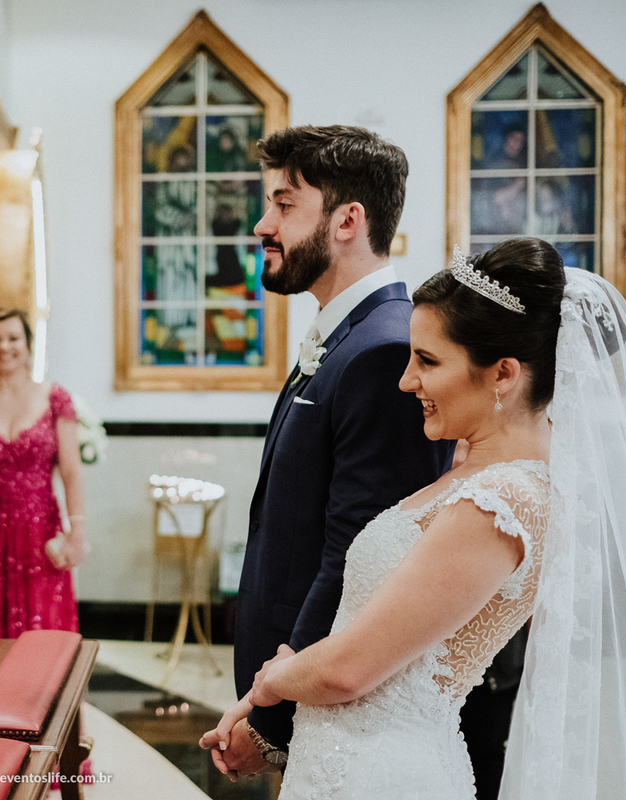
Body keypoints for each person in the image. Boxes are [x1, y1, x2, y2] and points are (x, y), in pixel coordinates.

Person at [204, 236, 626, 799]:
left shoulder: (502, 500)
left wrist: (275, 679)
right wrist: (281, 678)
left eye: (427, 361)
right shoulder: (474, 476)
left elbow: (350, 669)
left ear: (503, 374)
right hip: (349, 761)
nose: (405, 380)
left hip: (382, 774)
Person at [220, 125, 453, 774]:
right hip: (296, 688)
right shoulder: (343, 336)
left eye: (285, 204)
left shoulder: (380, 351)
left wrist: (270, 719)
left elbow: (358, 557)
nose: (263, 225)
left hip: (321, 706)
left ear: (348, 219)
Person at [0, 308, 85, 638]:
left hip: (40, 530)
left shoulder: (55, 398)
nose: (5, 346)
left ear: (28, 344)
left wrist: (77, 533)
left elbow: (71, 471)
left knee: (44, 628)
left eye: (14, 338)